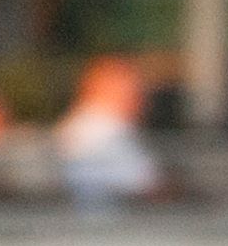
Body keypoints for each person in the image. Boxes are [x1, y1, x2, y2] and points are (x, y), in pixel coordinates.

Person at [53, 55, 158, 214]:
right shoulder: (100, 131)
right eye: (131, 87)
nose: (142, 97)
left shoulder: (107, 127)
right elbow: (145, 186)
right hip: (105, 228)